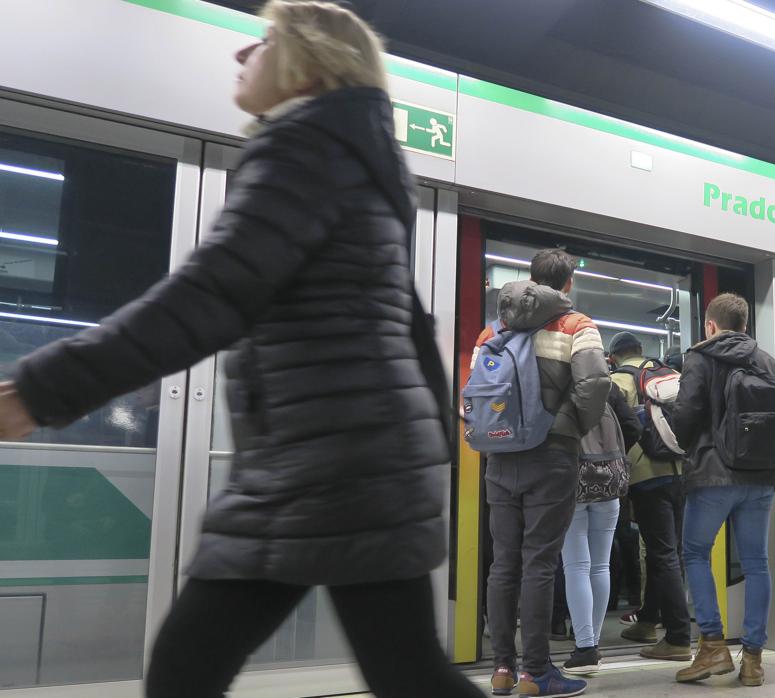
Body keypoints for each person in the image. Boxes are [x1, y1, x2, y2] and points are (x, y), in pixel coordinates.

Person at [0, 3, 479, 696]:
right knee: (405, 671)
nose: (239, 57)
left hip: (331, 461)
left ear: (306, 62)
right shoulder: (356, 160)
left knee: (190, 666)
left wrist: (42, 389)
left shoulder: (306, 149)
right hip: (347, 458)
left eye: (259, 43)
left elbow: (211, 294)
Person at [475, 248, 610, 698]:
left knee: (502, 564)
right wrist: (567, 428)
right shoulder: (577, 325)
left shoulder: (492, 329)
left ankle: (501, 669)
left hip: (499, 457)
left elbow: (475, 394)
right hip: (551, 457)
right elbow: (595, 384)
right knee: (538, 563)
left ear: (530, 279)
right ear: (567, 283)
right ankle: (536, 672)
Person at [667, 293, 775, 687]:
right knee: (756, 563)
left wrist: (683, 446)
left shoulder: (701, 357)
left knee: (696, 553)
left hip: (713, 475)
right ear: (745, 325)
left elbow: (685, 413)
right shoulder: (770, 363)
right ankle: (753, 659)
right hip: (761, 477)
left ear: (710, 326)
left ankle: (712, 646)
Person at [609, 332, 692, 660]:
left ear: (614, 357)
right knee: (671, 552)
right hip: (682, 472)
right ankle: (647, 622)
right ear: (640, 352)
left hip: (646, 476)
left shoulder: (619, 381)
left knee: (662, 555)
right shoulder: (666, 374)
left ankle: (678, 637)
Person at [561, 381, 641, 674]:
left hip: (572, 483)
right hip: (609, 480)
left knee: (577, 567)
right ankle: (592, 643)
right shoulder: (609, 387)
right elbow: (633, 426)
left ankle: (584, 648)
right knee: (600, 565)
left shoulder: (558, 385)